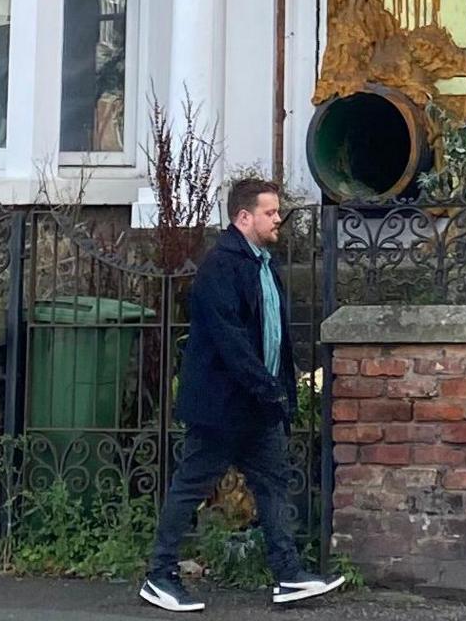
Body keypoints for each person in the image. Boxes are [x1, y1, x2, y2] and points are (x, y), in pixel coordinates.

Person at [140, 176, 340, 612]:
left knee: (272, 485)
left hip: (257, 404)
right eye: (270, 212)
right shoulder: (221, 266)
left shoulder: (264, 266)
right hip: (221, 405)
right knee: (191, 485)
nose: (278, 219)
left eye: (278, 212)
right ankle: (159, 575)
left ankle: (287, 575)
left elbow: (274, 337)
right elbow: (230, 340)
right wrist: (265, 387)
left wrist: (280, 388)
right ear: (243, 217)